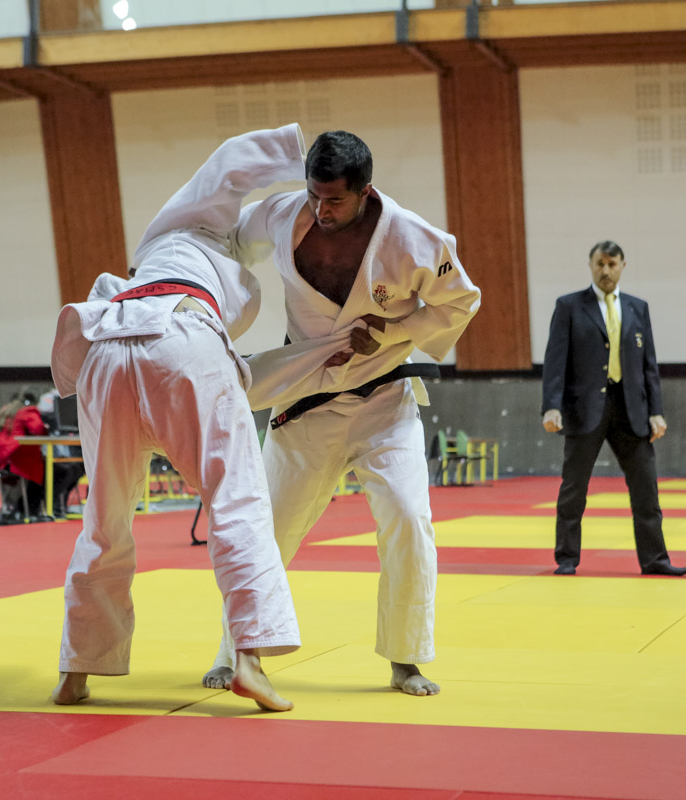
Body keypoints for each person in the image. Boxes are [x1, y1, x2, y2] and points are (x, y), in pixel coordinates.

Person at [202, 130, 482, 698]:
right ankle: (235, 651)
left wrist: (395, 331)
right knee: (268, 531)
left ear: (365, 192)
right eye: (314, 195)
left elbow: (461, 300)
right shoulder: (283, 214)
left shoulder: (412, 237)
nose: (320, 210)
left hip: (385, 402)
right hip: (305, 401)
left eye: (334, 200)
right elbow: (226, 243)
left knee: (408, 518)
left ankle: (406, 658)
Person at [48, 125, 307, 711]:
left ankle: (76, 668)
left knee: (104, 517)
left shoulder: (159, 251)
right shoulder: (202, 234)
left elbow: (229, 169)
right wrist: (301, 156)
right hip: (184, 338)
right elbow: (231, 165)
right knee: (236, 498)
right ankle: (249, 660)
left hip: (107, 345)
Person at [541, 241, 686, 577]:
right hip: (584, 409)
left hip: (631, 409)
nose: (605, 270)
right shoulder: (569, 306)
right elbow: (555, 361)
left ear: (623, 265)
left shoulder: (638, 308)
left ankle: (655, 559)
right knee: (574, 489)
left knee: (646, 489)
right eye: (600, 264)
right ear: (590, 265)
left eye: (612, 264)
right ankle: (567, 558)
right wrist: (551, 406)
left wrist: (656, 411)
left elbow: (649, 365)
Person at [0, 389, 48, 525]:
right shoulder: (28, 411)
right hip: (13, 459)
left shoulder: (5, 411)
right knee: (49, 469)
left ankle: (20, 508)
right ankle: (31, 510)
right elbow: (38, 429)